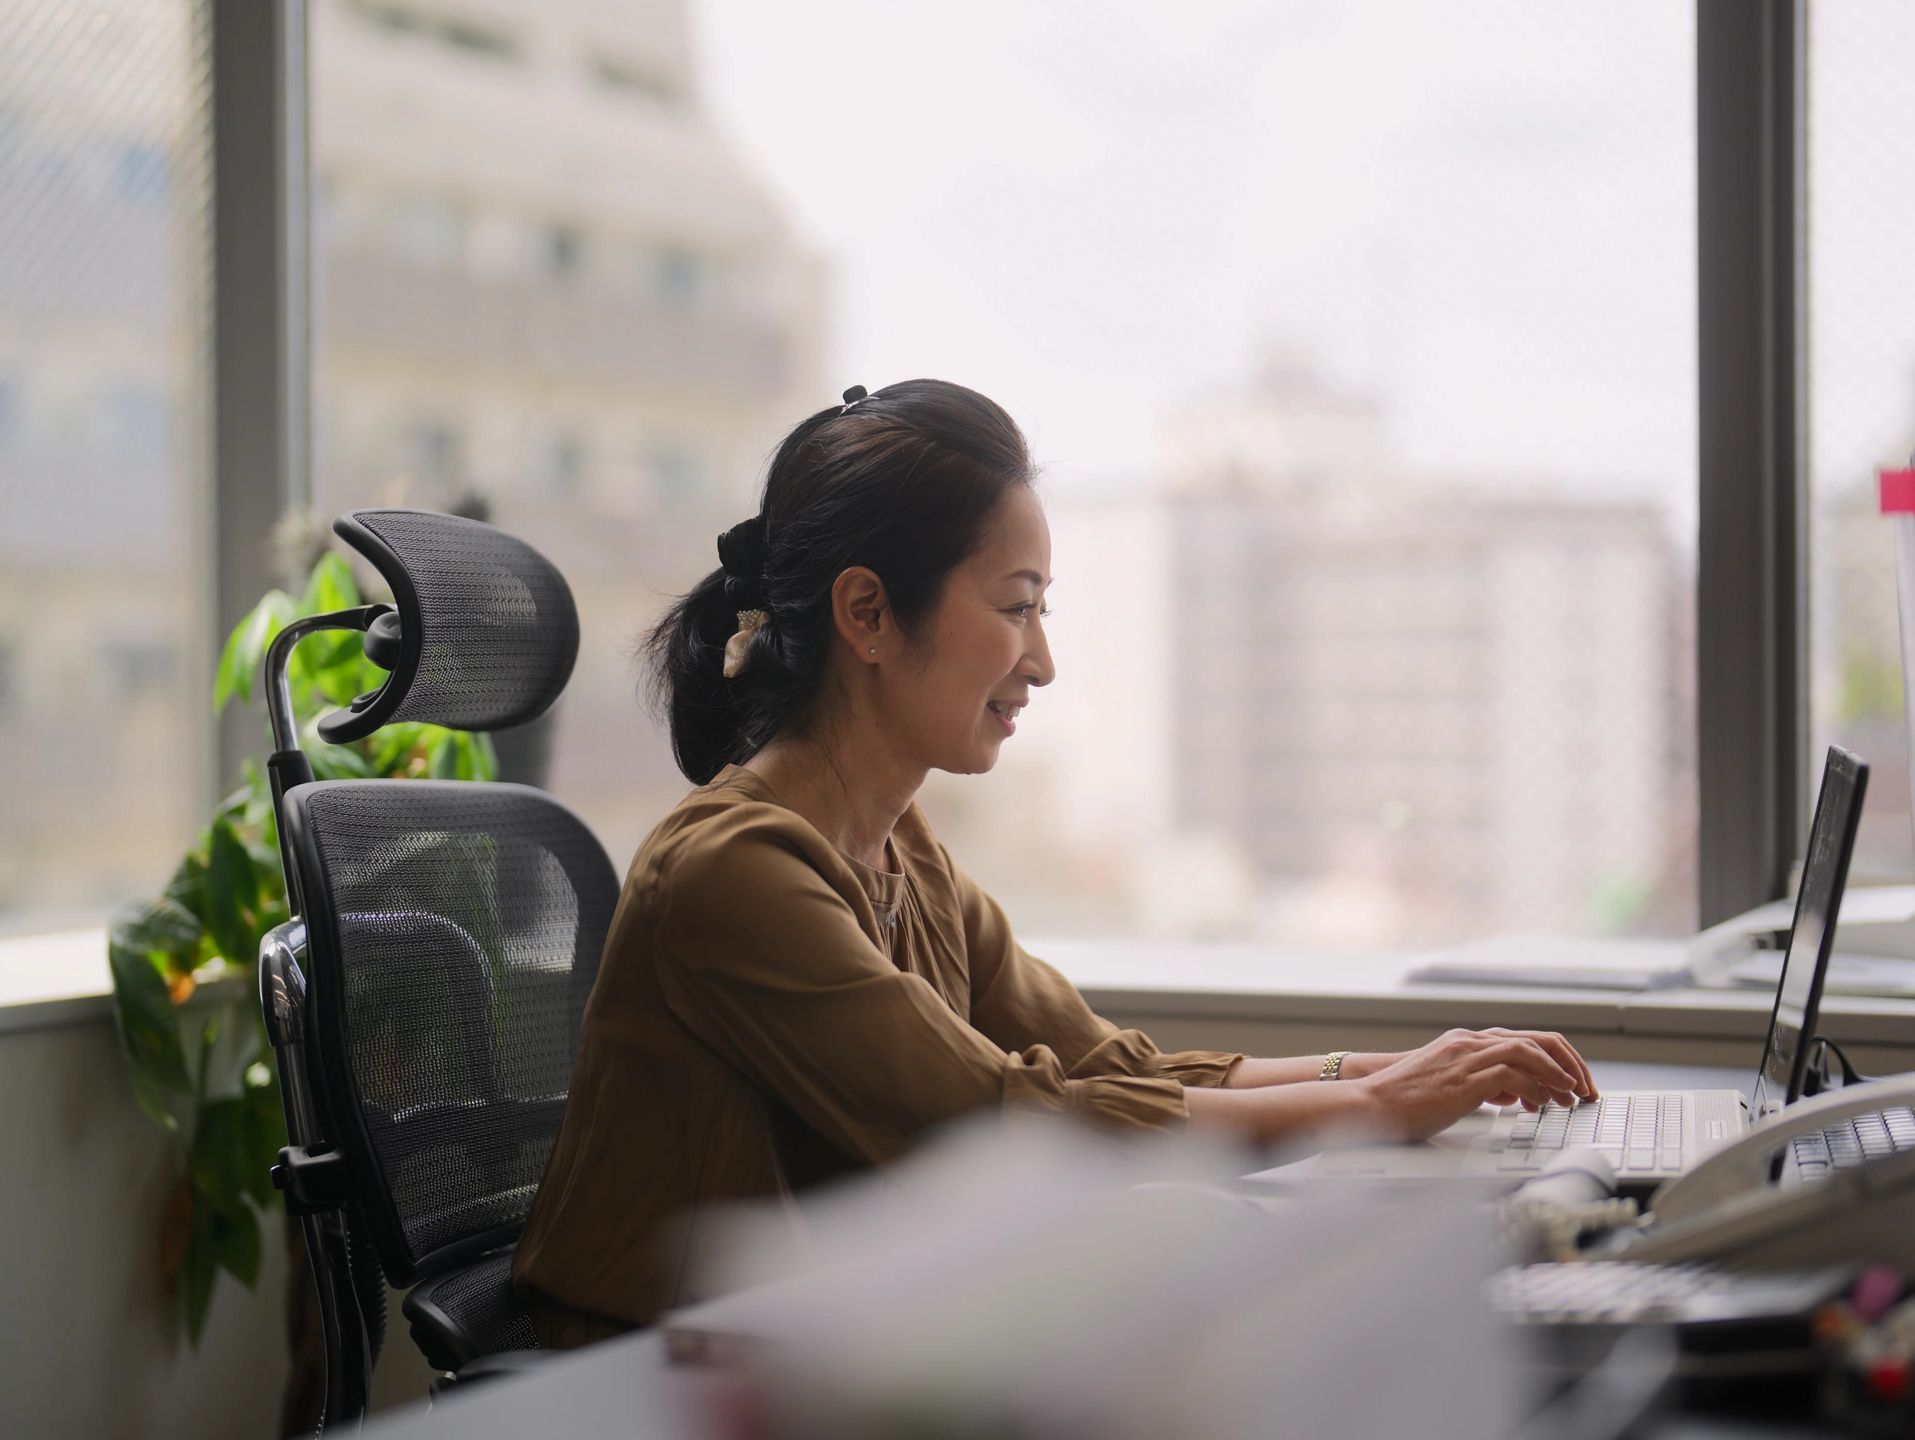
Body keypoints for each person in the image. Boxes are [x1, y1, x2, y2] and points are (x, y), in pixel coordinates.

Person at [511, 379, 1598, 1346]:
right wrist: (1371, 1109)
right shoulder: (732, 873)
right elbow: (997, 1127)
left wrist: (1389, 1073)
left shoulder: (902, 851)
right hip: (646, 1389)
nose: (1042, 660)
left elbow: (1105, 1070)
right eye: (1016, 606)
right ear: (867, 612)